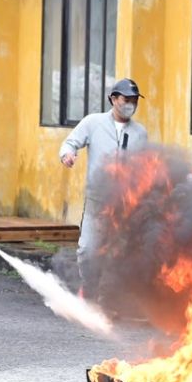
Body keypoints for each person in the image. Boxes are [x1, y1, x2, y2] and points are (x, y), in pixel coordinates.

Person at [60, 77, 149, 296]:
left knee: (120, 253)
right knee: (88, 250)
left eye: (134, 100)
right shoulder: (93, 123)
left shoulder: (140, 133)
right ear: (113, 99)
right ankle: (88, 289)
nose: (131, 104)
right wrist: (67, 155)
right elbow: (70, 143)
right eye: (126, 99)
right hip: (97, 199)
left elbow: (146, 165)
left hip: (126, 204)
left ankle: (111, 299)